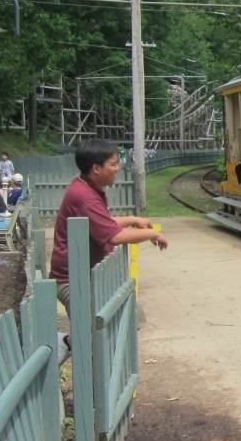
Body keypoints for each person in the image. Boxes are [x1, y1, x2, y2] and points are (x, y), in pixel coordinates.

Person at [48, 139, 169, 363]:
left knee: (126, 317)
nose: (118, 168)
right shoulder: (85, 197)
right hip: (72, 281)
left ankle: (71, 347)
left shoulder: (86, 188)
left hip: (85, 275)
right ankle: (75, 360)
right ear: (96, 167)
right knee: (95, 336)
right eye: (113, 164)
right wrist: (153, 234)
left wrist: (133, 219)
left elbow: (103, 223)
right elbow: (114, 236)